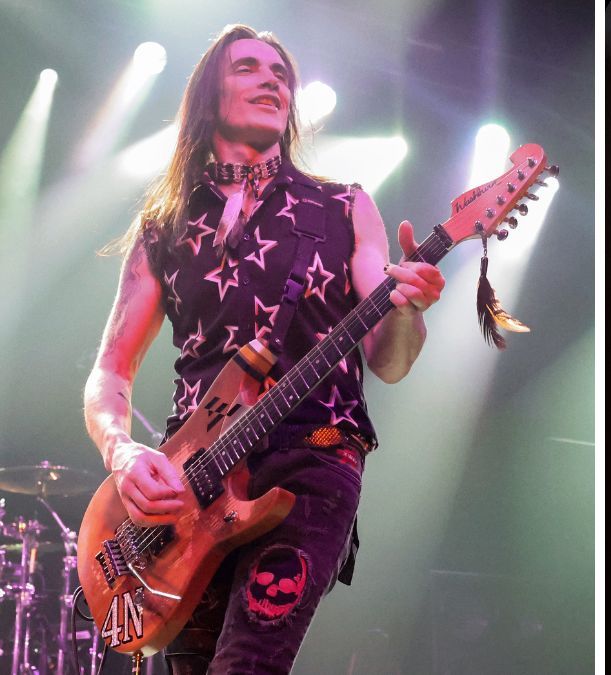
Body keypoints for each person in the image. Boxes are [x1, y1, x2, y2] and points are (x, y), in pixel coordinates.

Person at [82, 24, 445, 673]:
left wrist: (409, 308)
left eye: (282, 73)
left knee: (247, 663)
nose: (273, 79)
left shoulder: (343, 206)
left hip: (312, 462)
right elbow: (110, 370)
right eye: (250, 67)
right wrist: (123, 451)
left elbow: (389, 361)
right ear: (207, 97)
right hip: (190, 486)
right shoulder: (165, 228)